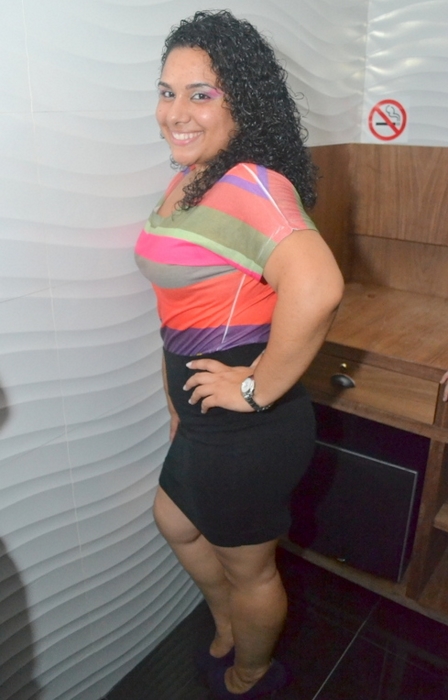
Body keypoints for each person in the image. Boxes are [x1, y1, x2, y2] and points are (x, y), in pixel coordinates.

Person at [135, 10, 344, 699]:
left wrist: (254, 390)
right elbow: (182, 306)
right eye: (167, 92)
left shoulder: (250, 183)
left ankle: (252, 672)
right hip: (202, 416)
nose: (176, 112)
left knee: (250, 568)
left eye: (201, 94)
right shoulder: (192, 177)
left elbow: (317, 288)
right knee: (175, 520)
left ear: (242, 102)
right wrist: (175, 401)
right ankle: (228, 623)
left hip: (249, 428)